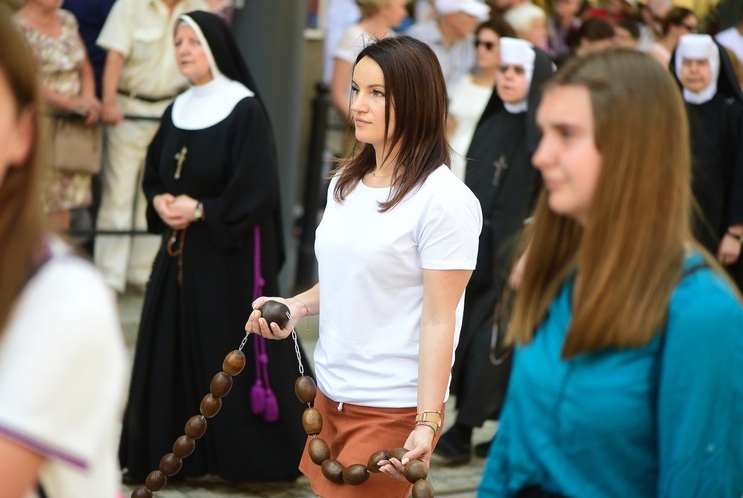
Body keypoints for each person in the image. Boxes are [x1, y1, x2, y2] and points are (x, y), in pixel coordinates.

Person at [478, 48, 743, 498]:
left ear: (630, 147)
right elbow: (510, 455)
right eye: (543, 133)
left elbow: (698, 480)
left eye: (566, 134)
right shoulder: (557, 274)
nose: (541, 155)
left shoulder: (701, 312)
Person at [246, 35, 482, 498]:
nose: (358, 104)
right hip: (330, 397)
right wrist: (294, 306)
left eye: (377, 93)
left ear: (416, 102)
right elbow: (344, 278)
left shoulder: (445, 201)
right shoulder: (345, 184)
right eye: (356, 89)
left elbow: (440, 319)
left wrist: (428, 423)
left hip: (390, 408)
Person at [118, 11, 311, 483]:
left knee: (226, 351)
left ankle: (253, 458)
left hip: (227, 263)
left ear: (217, 48)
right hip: (177, 257)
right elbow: (157, 172)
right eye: (178, 42)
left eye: (194, 42)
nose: (184, 50)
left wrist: (203, 209)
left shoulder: (242, 107)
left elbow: (258, 188)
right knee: (166, 349)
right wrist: (160, 199)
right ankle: (167, 456)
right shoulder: (176, 107)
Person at [0, 8, 127, 498]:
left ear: (21, 133)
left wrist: (83, 99)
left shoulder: (64, 301)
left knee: (67, 214)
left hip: (68, 125)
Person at [435, 37, 554, 465]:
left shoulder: (546, 133)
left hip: (522, 253)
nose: (506, 77)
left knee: (498, 340)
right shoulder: (492, 122)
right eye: (503, 70)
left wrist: (531, 251)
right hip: (483, 248)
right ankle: (481, 428)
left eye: (517, 71)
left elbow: (549, 201)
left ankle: (465, 430)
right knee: (471, 337)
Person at [94, 0, 208, 294]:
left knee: (158, 193)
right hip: (128, 109)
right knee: (118, 192)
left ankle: (142, 275)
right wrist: (108, 102)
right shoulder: (130, 5)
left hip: (173, 110)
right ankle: (109, 278)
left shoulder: (197, 6)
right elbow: (115, 56)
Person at [13, 0, 102, 231]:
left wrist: (89, 99)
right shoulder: (16, 27)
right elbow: (25, 79)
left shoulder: (67, 19)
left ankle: (56, 259)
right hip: (38, 125)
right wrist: (70, 103)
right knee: (34, 201)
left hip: (71, 129)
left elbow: (84, 65)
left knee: (63, 204)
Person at [672, 34, 743, 289]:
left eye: (701, 63)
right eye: (687, 63)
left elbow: (741, 175)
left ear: (714, 66)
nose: (693, 71)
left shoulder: (733, 112)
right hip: (674, 226)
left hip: (720, 226)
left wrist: (736, 232)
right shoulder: (669, 109)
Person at [448, 17, 515, 180]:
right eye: (477, 43)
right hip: (449, 162)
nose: (481, 50)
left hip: (483, 168)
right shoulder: (461, 80)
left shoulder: (508, 90)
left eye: (489, 45)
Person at [330, 0, 409, 120]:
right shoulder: (354, 35)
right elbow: (338, 92)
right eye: (401, 7)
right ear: (384, 9)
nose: (405, 13)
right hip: (354, 124)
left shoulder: (395, 39)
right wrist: (358, 122)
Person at [407, 0, 490, 88]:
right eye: (471, 16)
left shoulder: (470, 42)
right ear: (452, 16)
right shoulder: (417, 37)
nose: (476, 22)